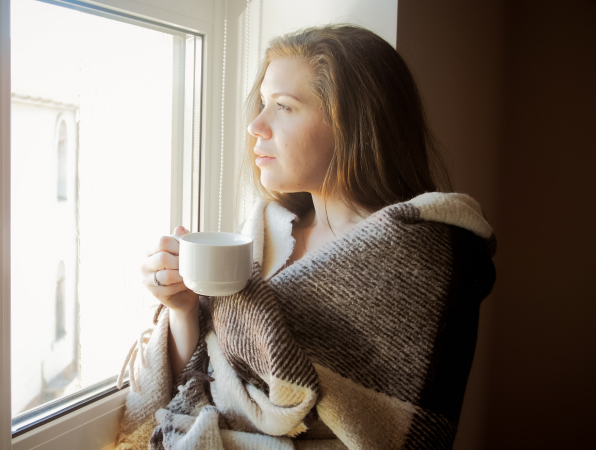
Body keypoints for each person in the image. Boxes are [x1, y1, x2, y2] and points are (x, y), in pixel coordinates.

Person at [117, 24, 496, 450]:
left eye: (283, 107)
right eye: (262, 104)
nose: (256, 126)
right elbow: (198, 384)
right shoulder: (261, 234)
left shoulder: (415, 265)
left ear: (352, 123)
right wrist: (183, 308)